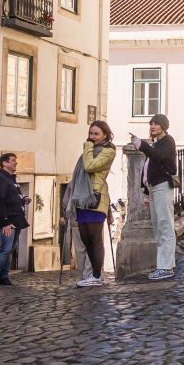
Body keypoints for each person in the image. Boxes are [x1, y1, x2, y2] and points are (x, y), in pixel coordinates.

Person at [69, 121, 117, 287]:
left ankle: (97, 275)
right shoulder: (90, 150)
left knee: (95, 238)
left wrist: (87, 147)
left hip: (96, 198)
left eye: (96, 134)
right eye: (91, 134)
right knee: (85, 239)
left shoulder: (108, 151)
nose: (92, 137)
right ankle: (92, 275)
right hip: (82, 197)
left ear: (105, 134)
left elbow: (89, 166)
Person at [131, 114, 178, 281]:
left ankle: (165, 268)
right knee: (159, 228)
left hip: (162, 187)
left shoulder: (167, 141)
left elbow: (158, 157)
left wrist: (142, 145)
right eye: (151, 123)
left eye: (156, 124)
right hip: (153, 188)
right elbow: (147, 169)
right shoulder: (157, 144)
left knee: (165, 225)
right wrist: (145, 192)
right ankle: (165, 265)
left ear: (163, 127)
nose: (152, 126)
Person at [0, 152, 29, 286]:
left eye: (15, 161)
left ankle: (4, 277)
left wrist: (23, 200)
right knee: (5, 249)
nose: (15, 163)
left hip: (16, 220)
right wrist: (5, 222)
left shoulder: (10, 179)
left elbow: (11, 199)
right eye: (12, 161)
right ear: (4, 163)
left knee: (10, 249)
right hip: (7, 221)